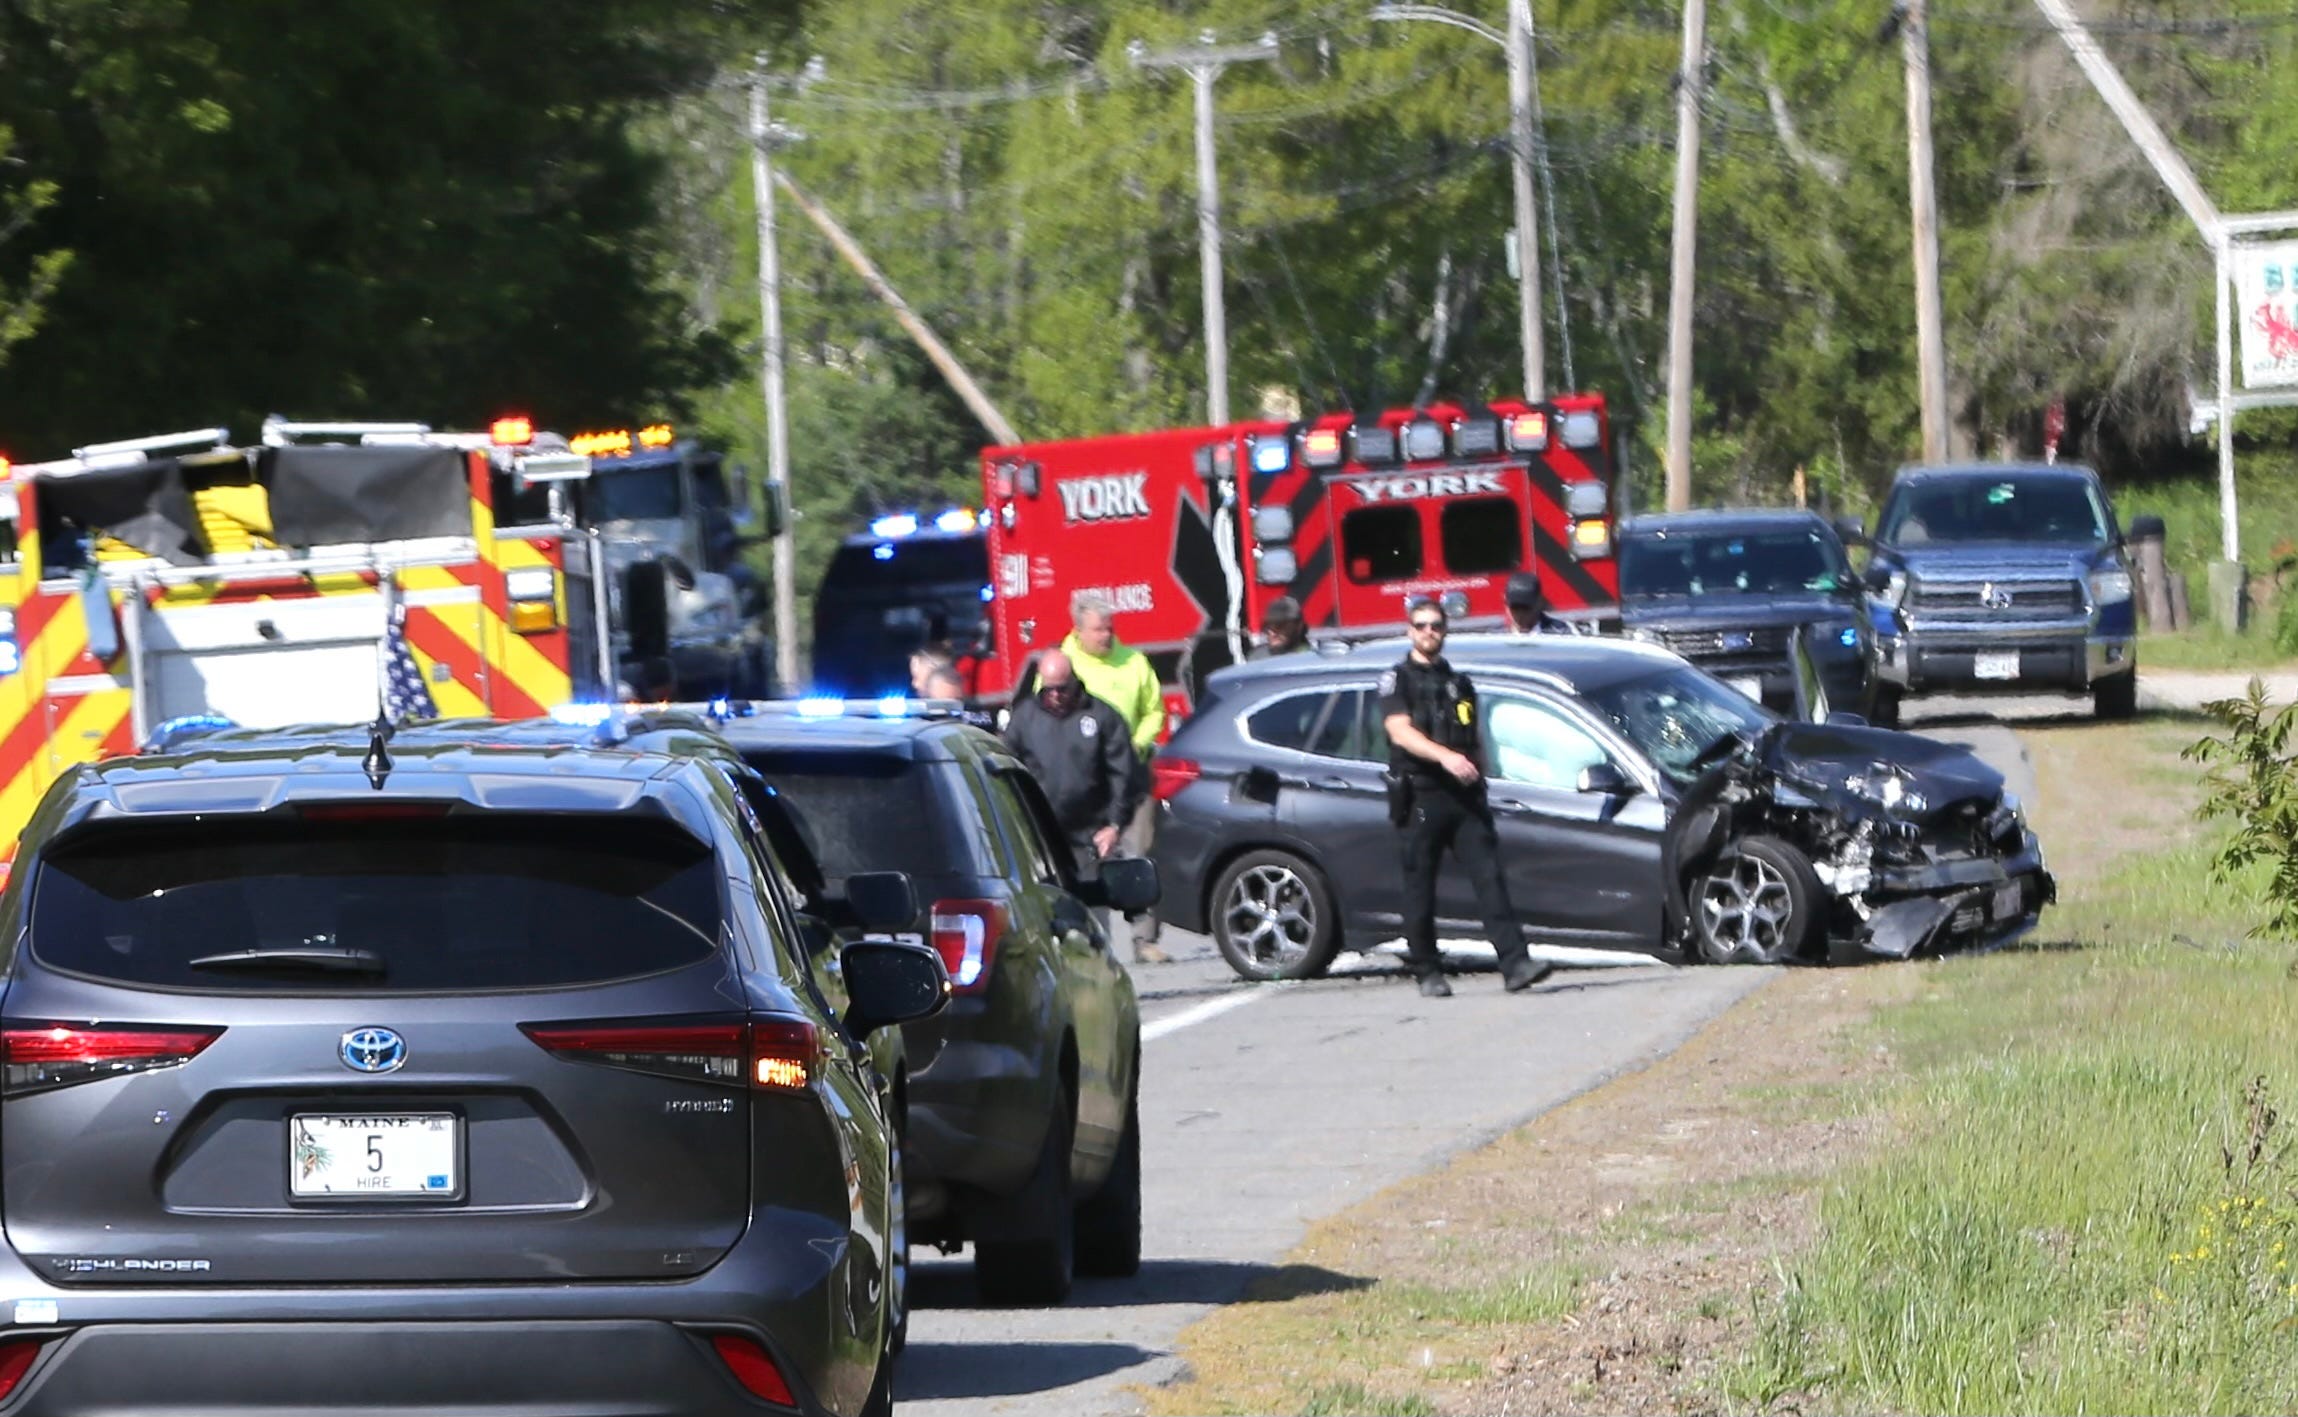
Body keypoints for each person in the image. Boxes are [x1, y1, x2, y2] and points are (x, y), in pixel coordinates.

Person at [1379, 597, 1553, 998]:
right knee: (1420, 886)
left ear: (1445, 630)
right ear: (1409, 630)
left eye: (1436, 626)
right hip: (1421, 794)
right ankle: (1427, 970)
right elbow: (1400, 732)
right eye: (1421, 625)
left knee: (1490, 878)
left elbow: (1474, 737)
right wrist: (1446, 758)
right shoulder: (1396, 679)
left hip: (1463, 796)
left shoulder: (1458, 682)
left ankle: (1515, 964)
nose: (1428, 632)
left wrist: (1480, 775)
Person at [1061, 592, 1169, 963]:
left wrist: (1137, 744)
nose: (1105, 636)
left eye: (1109, 629)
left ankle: (1146, 939)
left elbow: (1155, 711)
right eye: (1097, 630)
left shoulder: (1134, 662)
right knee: (1090, 861)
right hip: (1086, 782)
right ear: (1078, 629)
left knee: (1141, 854)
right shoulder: (1064, 666)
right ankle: (1095, 942)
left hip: (1133, 775)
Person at [1003, 649, 1142, 920]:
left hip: (1089, 836)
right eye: (1050, 689)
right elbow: (1007, 768)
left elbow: (1123, 774)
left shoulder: (1103, 716)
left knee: (1092, 920)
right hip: (1039, 836)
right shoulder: (1024, 719)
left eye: (1062, 689)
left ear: (1074, 681)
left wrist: (1114, 825)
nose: (1056, 695)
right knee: (1048, 916)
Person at [1502, 570, 1582, 635]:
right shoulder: (1497, 637)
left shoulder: (1561, 633)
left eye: (1526, 608)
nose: (1520, 614)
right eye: (1515, 607)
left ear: (1539, 603)